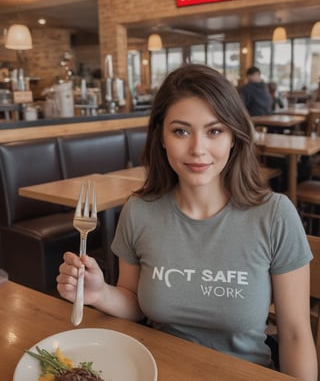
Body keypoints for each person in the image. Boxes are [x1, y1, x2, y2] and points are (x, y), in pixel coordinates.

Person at [57, 64, 317, 381]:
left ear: (234, 136)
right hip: (154, 369)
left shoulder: (275, 215)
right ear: (161, 136)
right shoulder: (139, 211)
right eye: (181, 131)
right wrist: (100, 293)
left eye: (215, 131)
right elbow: (135, 302)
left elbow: (294, 335)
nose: (198, 149)